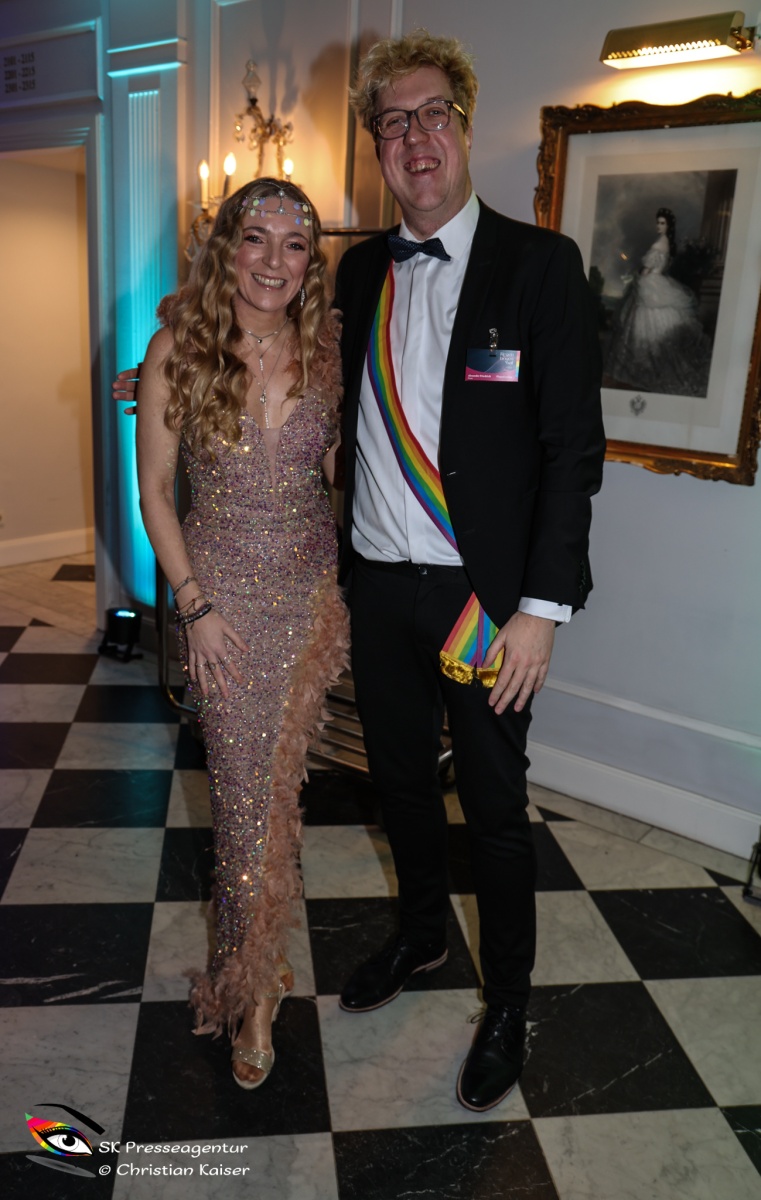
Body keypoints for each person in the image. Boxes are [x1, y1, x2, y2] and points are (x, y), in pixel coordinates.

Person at [333, 30, 605, 1112]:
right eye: (392, 121)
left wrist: (539, 610)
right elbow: (280, 373)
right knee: (398, 781)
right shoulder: (358, 270)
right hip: (376, 586)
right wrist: (169, 370)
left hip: (479, 602)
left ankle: (507, 1003)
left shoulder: (539, 266)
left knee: (492, 805)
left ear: (464, 124)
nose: (415, 137)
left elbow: (570, 452)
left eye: (432, 113)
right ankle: (420, 936)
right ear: (377, 145)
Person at [133, 177, 348, 1089]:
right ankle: (250, 989)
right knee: (241, 803)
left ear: (309, 264)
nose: (272, 261)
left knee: (276, 797)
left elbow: (346, 468)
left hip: (308, 606)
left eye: (293, 245)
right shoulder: (176, 349)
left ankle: (256, 960)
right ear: (227, 247)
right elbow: (155, 492)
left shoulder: (330, 351)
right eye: (255, 238)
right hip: (219, 611)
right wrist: (193, 606)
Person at [604, 207, 712, 396]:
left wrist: (640, 275)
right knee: (651, 326)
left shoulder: (659, 243)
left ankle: (648, 368)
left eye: (662, 223)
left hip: (651, 283)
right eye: (658, 222)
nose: (659, 226)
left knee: (645, 327)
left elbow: (647, 268)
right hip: (658, 283)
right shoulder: (667, 243)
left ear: (668, 225)